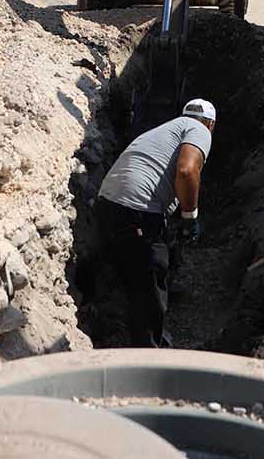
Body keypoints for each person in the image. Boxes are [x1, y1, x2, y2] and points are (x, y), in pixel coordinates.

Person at [95, 99, 214, 347]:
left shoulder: (166, 129)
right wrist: (190, 216)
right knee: (149, 287)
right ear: (211, 124)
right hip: (137, 210)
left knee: (128, 274)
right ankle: (148, 355)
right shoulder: (199, 129)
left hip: (107, 202)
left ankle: (110, 332)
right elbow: (187, 171)